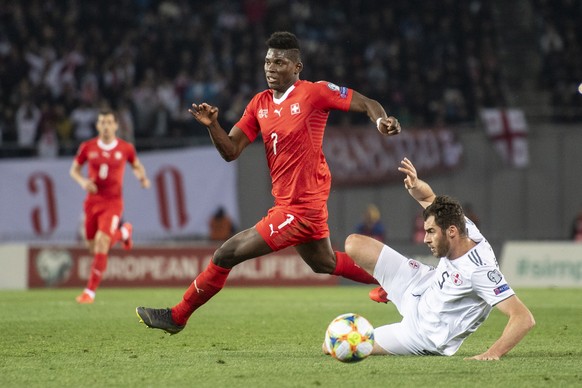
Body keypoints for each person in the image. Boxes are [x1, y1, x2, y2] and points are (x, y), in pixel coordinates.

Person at [136, 31, 401, 334]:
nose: (270, 68)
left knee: (226, 253)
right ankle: (397, 280)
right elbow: (231, 151)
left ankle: (177, 316)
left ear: (297, 67)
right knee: (324, 262)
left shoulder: (315, 93)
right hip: (291, 203)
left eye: (279, 62)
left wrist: (382, 121)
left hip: (301, 207)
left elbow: (367, 103)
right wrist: (214, 127)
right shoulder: (259, 103)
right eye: (267, 62)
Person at [325, 157, 535, 360]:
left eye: (431, 232)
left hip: (422, 334)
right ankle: (388, 286)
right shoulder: (463, 225)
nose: (425, 239)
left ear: (451, 231)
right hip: (420, 284)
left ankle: (388, 288)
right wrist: (416, 185)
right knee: (354, 243)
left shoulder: (479, 271)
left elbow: (523, 318)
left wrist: (492, 353)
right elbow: (427, 198)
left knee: (333, 345)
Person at [70, 108, 150, 304]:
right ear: (98, 126)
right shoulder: (88, 147)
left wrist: (142, 178)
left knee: (102, 241)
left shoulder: (125, 148)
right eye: (102, 122)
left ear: (115, 125)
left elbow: (137, 165)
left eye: (109, 122)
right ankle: (124, 233)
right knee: (93, 247)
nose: (105, 126)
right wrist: (83, 182)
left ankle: (90, 292)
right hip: (92, 202)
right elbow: (74, 170)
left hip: (113, 203)